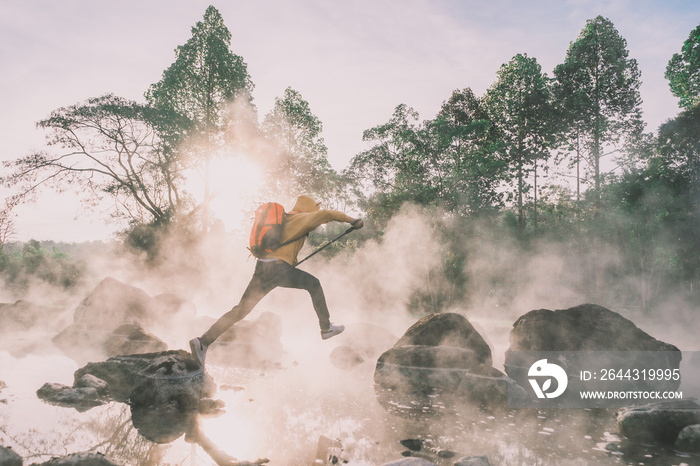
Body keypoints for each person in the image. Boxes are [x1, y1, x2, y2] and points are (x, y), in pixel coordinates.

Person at [189, 195, 363, 368]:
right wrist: (352, 220)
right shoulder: (303, 217)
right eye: (313, 209)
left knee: (240, 310)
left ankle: (203, 341)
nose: (315, 212)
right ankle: (326, 328)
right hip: (278, 268)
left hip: (262, 268)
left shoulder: (283, 220)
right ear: (308, 207)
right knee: (314, 284)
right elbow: (327, 214)